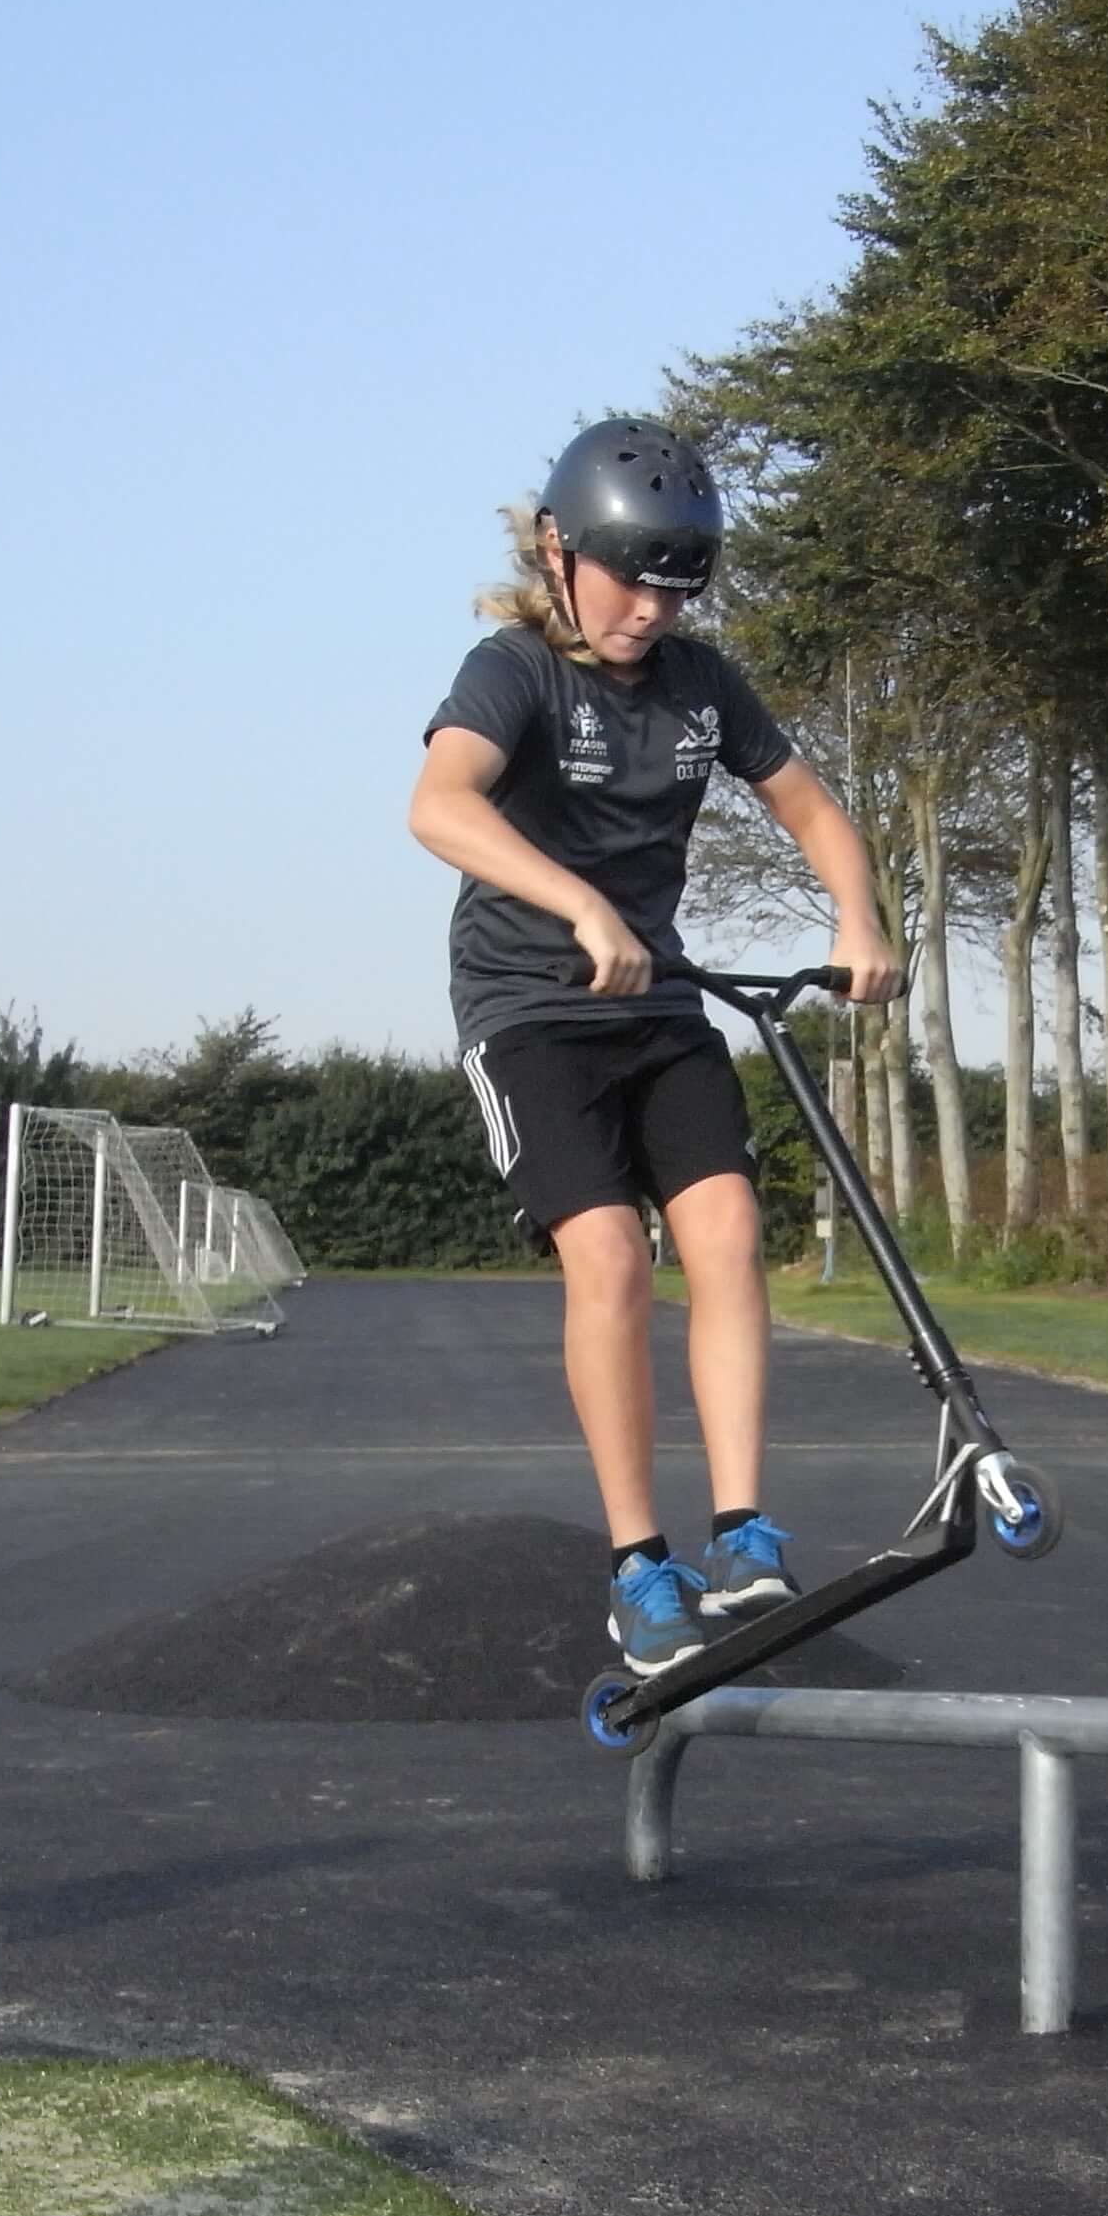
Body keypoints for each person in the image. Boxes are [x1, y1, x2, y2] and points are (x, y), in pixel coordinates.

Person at [405, 416, 904, 1682]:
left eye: (677, 587)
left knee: (730, 1230)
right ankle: (642, 1568)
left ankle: (744, 1537)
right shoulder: (513, 671)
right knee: (614, 1257)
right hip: (529, 1010)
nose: (649, 610)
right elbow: (438, 803)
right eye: (630, 579)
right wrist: (577, 904)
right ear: (562, 551)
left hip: (657, 1002)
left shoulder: (701, 684)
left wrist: (857, 917)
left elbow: (809, 806)